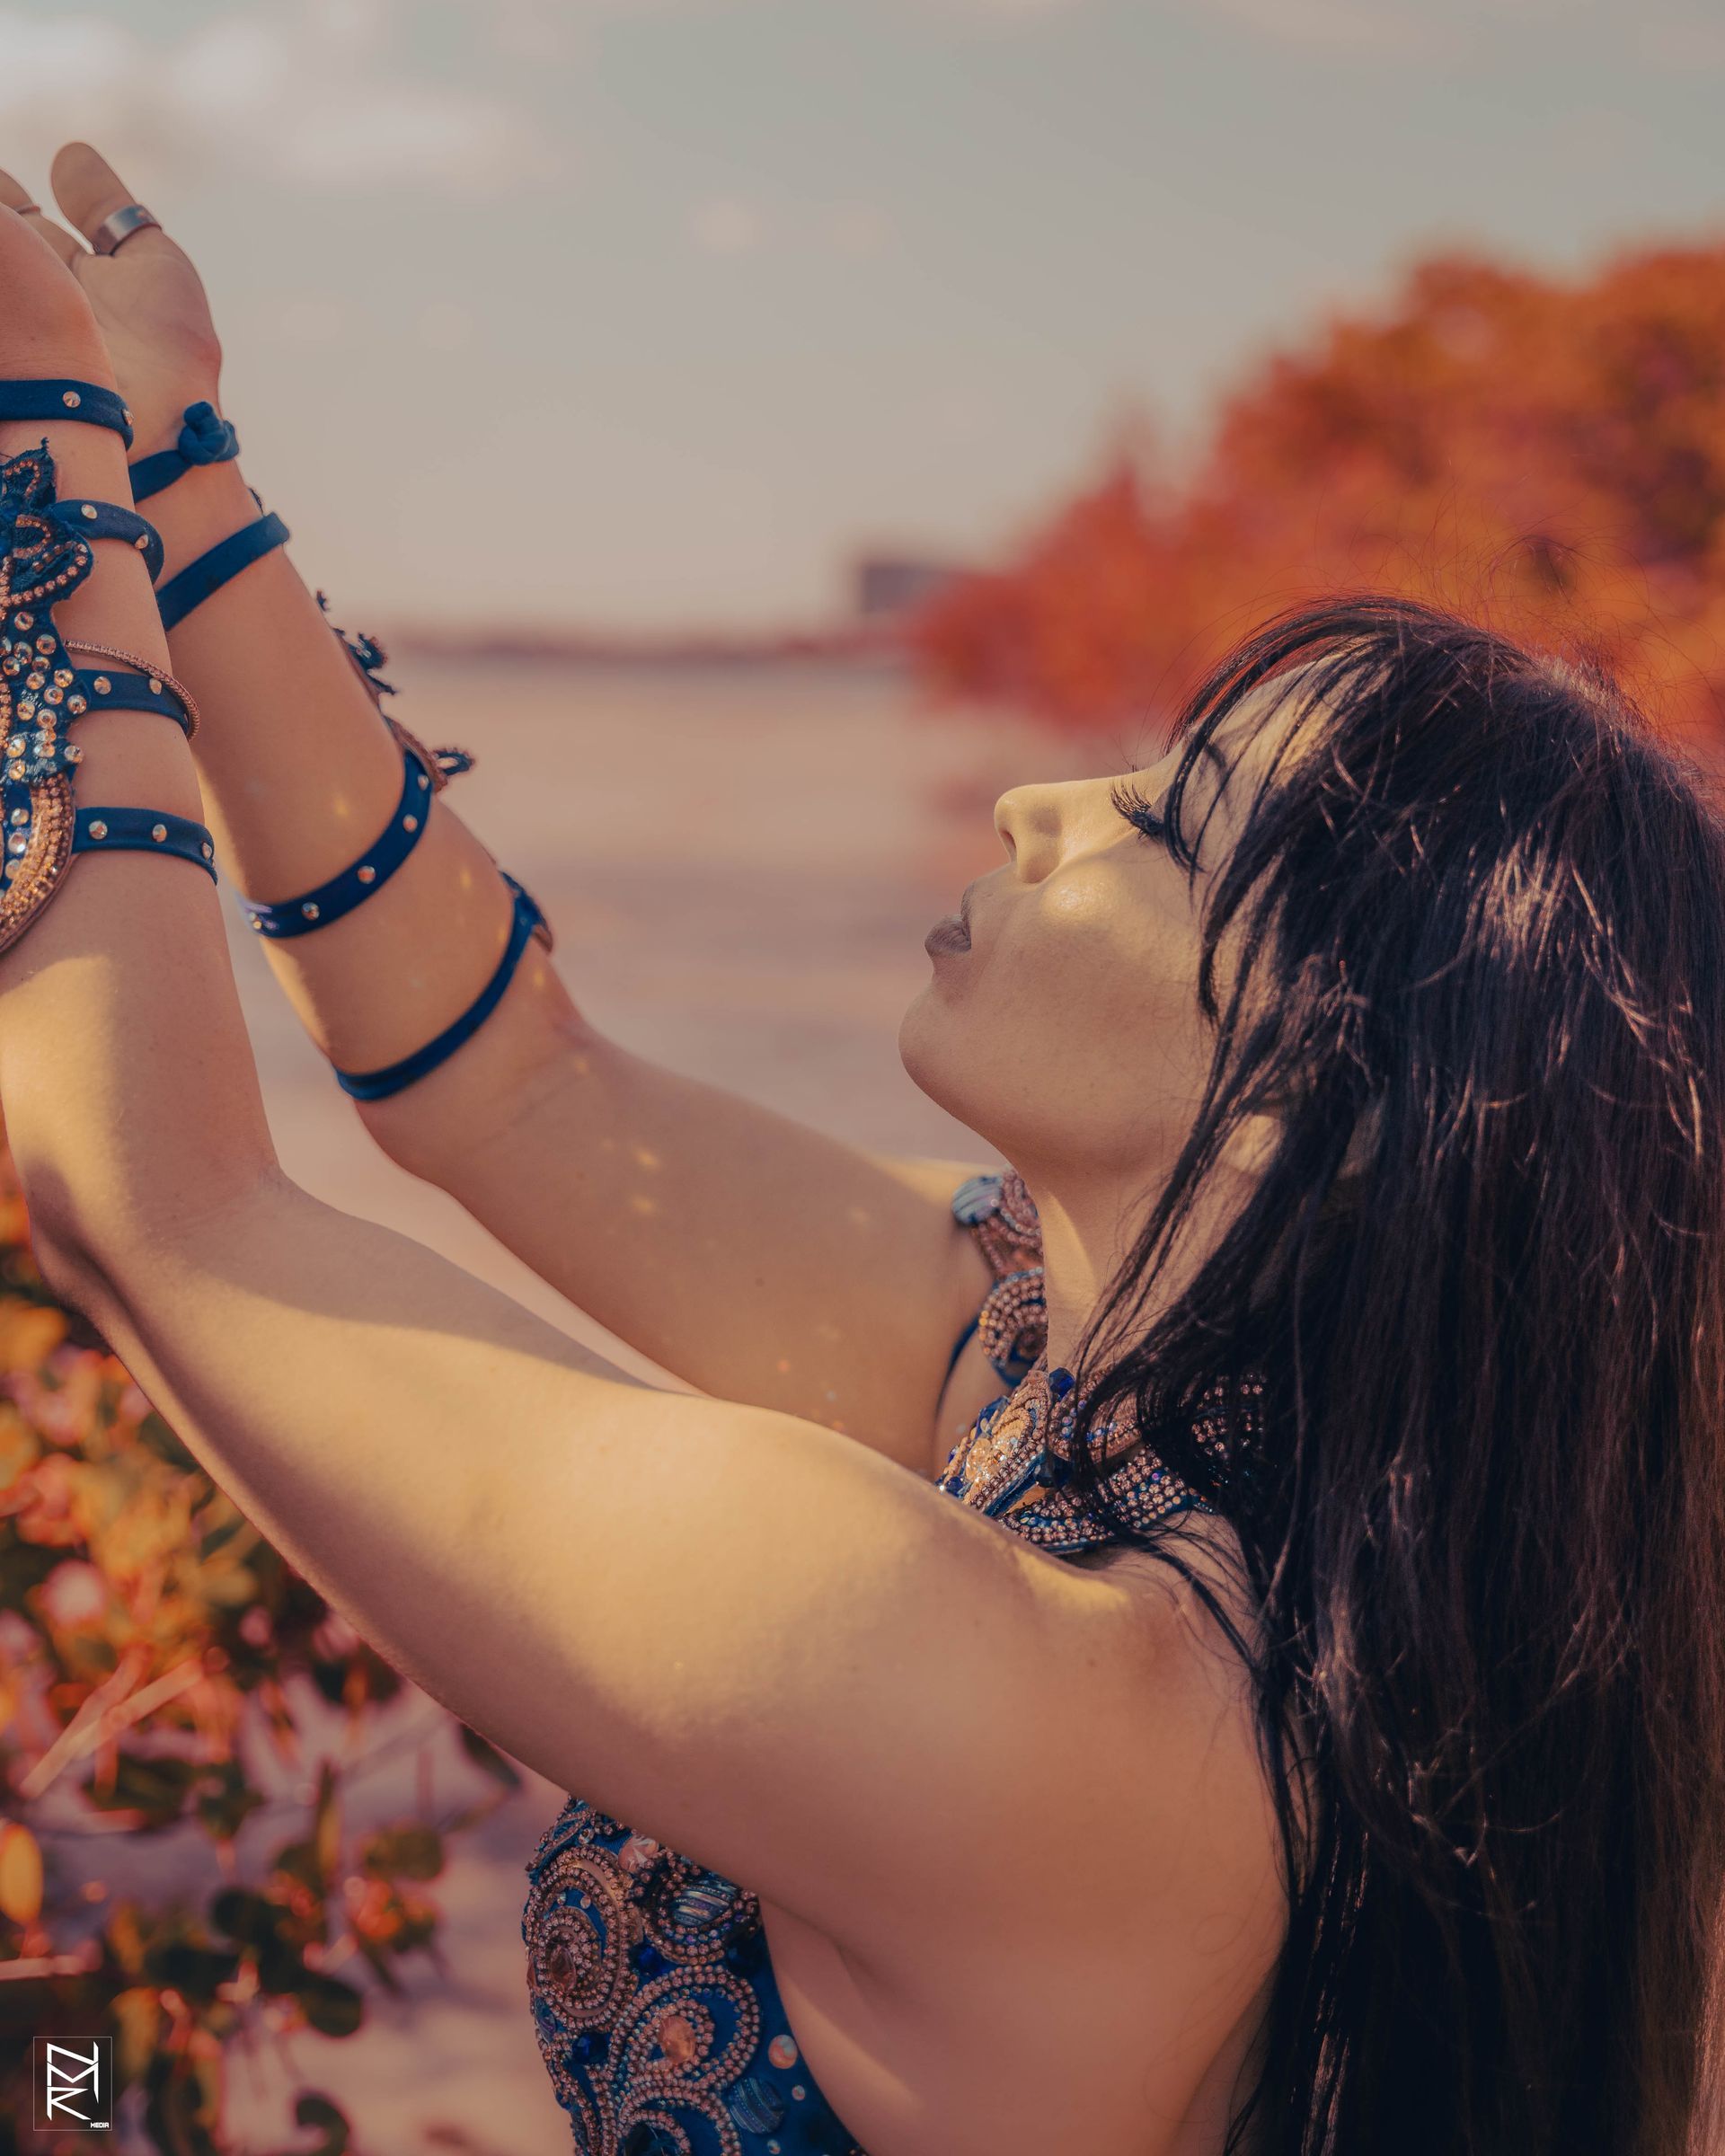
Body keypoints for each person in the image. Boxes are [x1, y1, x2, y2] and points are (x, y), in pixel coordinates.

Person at [0, 145, 1721, 2156]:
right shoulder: (1109, 1388)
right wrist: (166, 438)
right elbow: (509, 1080)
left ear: (1314, 1107)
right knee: (56, 2071)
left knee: (53, 2081)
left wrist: (35, 479)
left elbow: (165, 1215)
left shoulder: (1031, 1707)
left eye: (1158, 830)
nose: (1027, 799)